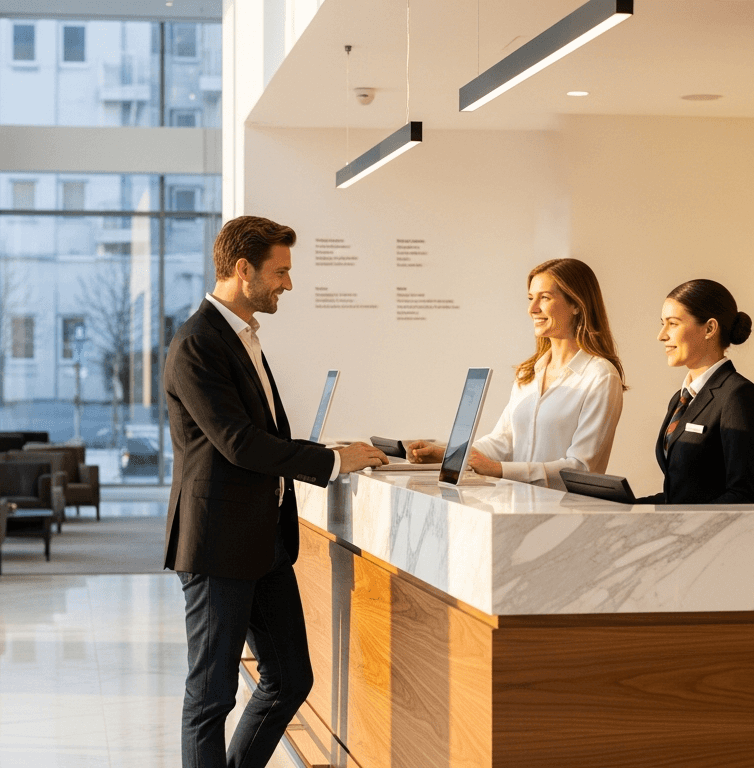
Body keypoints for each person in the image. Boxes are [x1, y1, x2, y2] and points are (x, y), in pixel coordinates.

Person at [163, 215, 389, 768]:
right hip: (218, 545)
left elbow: (263, 438)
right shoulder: (198, 343)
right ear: (244, 270)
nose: (288, 283)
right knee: (212, 695)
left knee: (289, 678)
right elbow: (239, 444)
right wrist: (332, 461)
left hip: (263, 542)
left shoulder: (244, 339)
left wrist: (330, 452)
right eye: (280, 271)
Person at [406, 258, 626, 490]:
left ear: (577, 305)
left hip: (565, 511)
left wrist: (498, 469)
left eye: (545, 297)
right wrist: (449, 455)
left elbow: (581, 467)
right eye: (531, 298)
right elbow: (503, 441)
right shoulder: (528, 374)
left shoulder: (600, 376)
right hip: (518, 505)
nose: (532, 309)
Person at [639, 279, 754, 504]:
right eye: (663, 323)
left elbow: (744, 497)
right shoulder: (681, 399)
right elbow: (681, 497)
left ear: (709, 328)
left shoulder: (739, 396)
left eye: (673, 324)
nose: (661, 335)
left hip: (710, 538)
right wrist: (622, 505)